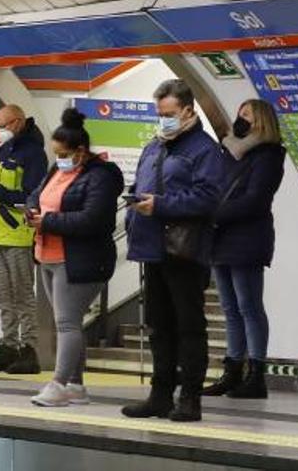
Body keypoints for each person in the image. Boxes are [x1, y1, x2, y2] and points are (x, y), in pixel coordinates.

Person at [122, 79, 223, 422]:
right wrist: (136, 200)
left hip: (185, 249)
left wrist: (161, 205)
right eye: (159, 113)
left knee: (188, 325)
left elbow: (209, 197)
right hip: (152, 247)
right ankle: (160, 395)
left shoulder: (204, 149)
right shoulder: (155, 146)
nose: (163, 119)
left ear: (187, 111)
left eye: (169, 113)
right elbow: (143, 182)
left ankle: (190, 398)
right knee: (158, 325)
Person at [26, 108, 123, 406]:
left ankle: (57, 385)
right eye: (56, 154)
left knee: (66, 324)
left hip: (80, 259)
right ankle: (76, 387)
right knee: (70, 323)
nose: (59, 159)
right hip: (48, 255)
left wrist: (49, 222)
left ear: (80, 152)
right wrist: (32, 211)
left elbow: (95, 219)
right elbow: (38, 194)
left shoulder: (100, 177)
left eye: (63, 153)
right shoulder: (58, 170)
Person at [202, 99, 285, 399]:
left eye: (247, 114)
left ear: (262, 120)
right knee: (229, 308)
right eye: (239, 113)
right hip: (222, 238)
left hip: (248, 238)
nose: (240, 119)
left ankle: (256, 374)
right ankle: (232, 370)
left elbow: (256, 200)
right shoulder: (230, 152)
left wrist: (211, 215)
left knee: (249, 306)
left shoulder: (269, 155)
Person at [0, 104, 46, 375]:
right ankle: (8, 346)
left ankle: (29, 349)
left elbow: (30, 197)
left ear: (17, 122)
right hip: (1, 233)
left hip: (20, 233)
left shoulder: (33, 153)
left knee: (23, 294)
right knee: (3, 295)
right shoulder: (5, 150)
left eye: (2, 125)